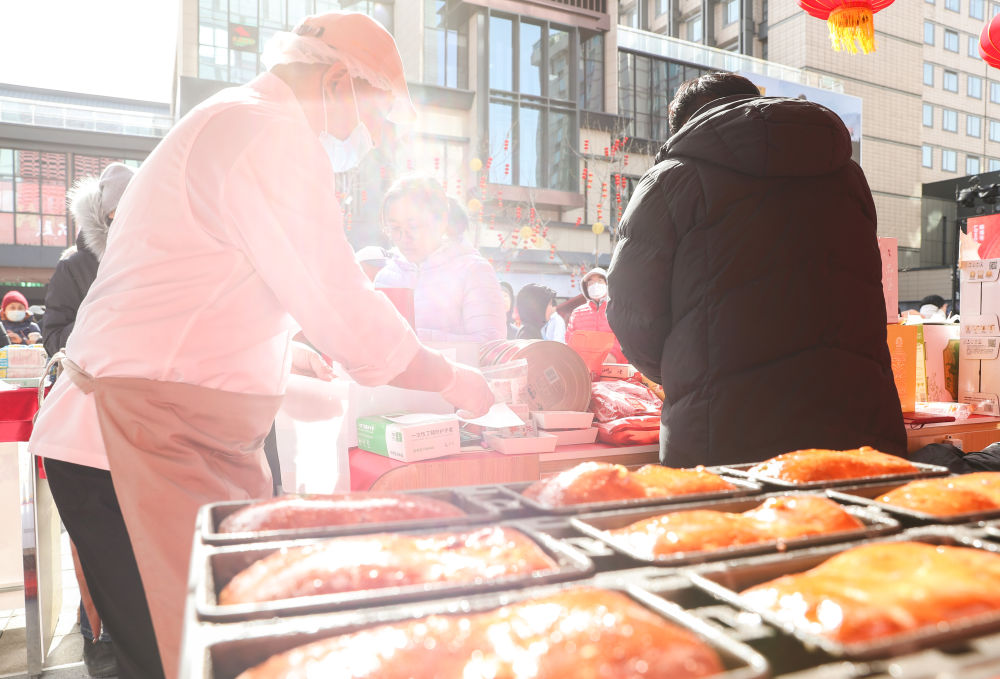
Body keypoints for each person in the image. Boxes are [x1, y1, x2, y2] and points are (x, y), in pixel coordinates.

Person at [29, 13, 493, 679]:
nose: (367, 140)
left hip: (153, 431)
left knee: (207, 646)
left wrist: (285, 349)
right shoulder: (268, 132)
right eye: (370, 118)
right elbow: (347, 309)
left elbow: (218, 282)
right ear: (337, 81)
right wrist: (452, 379)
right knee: (183, 658)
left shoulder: (237, 118)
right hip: (132, 440)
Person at [607, 72, 905, 468]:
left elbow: (634, 315)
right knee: (857, 509)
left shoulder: (671, 179)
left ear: (686, 125)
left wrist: (690, 372)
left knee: (739, 513)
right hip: (860, 422)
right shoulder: (848, 175)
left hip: (726, 433)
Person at [42, 161, 136, 678]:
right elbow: (53, 335)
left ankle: (137, 635)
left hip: (140, 418)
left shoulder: (155, 257)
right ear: (103, 216)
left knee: (136, 536)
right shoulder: (74, 266)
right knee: (95, 540)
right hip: (88, 419)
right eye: (119, 213)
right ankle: (96, 634)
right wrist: (98, 333)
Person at [375, 176, 506, 343]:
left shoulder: (474, 271)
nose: (403, 238)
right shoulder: (386, 277)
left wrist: (414, 339)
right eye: (394, 228)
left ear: (442, 221)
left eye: (413, 226)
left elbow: (490, 346)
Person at [566, 268, 625, 362]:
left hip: (613, 365)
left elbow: (624, 337)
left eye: (600, 281)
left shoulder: (617, 310)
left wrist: (613, 355)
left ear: (607, 284)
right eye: (591, 283)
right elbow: (570, 339)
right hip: (584, 366)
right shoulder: (577, 312)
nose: (595, 285)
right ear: (586, 288)